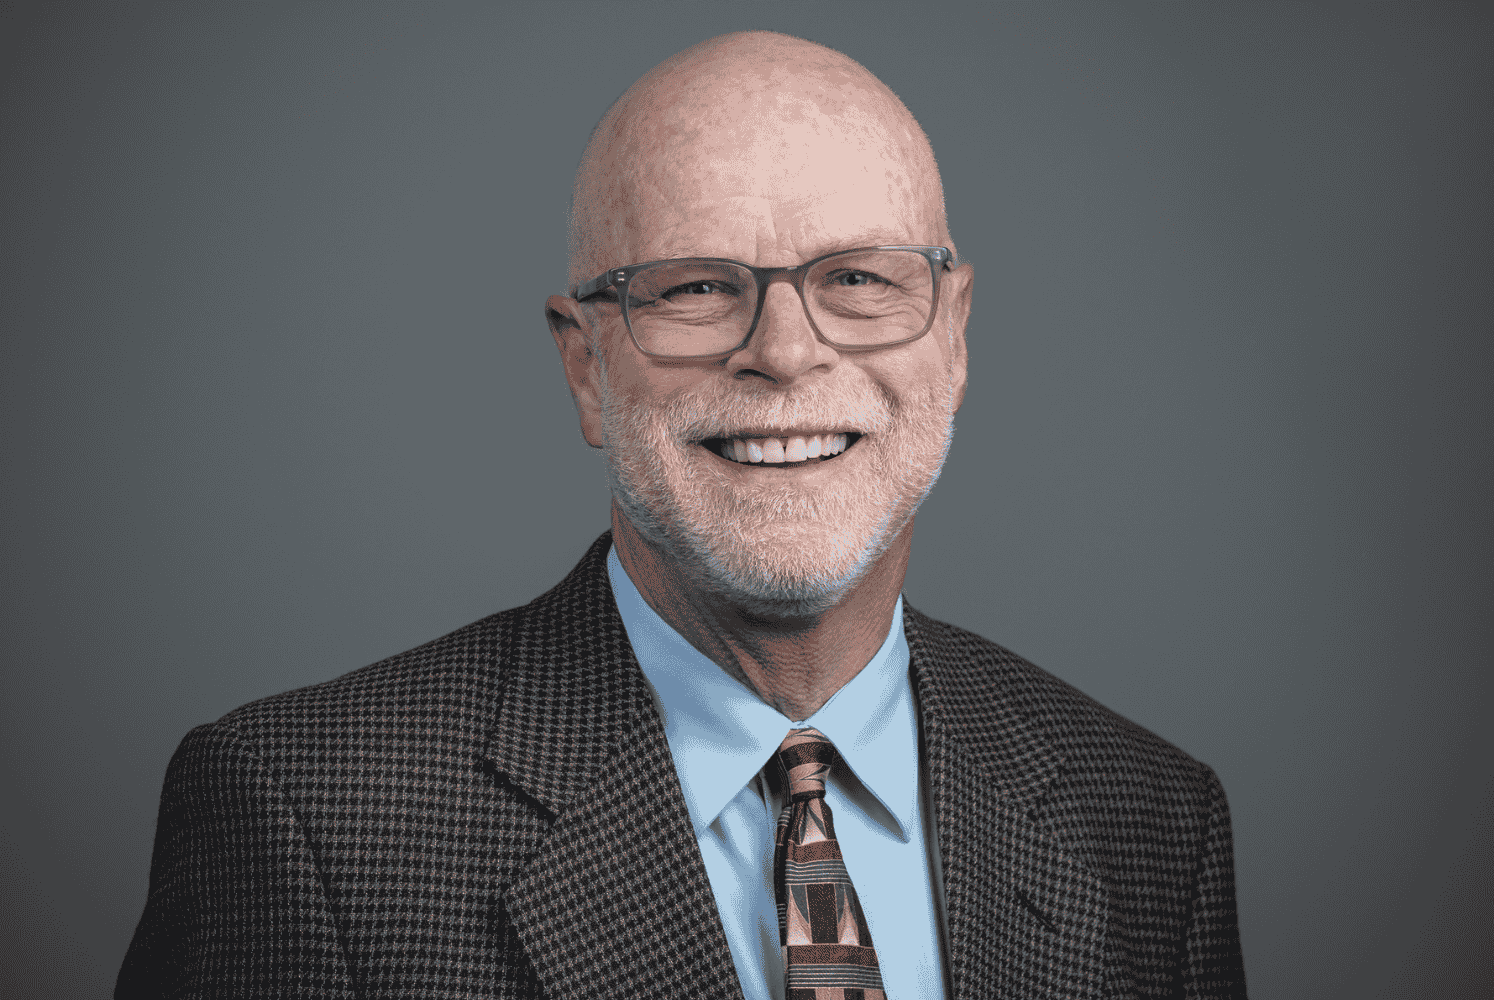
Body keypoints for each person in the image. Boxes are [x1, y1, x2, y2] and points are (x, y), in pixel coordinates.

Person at [117, 30, 1248, 1000]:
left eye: (860, 277)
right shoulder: (310, 817)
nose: (787, 352)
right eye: (696, 287)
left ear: (952, 336)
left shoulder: (1150, 817)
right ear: (584, 367)